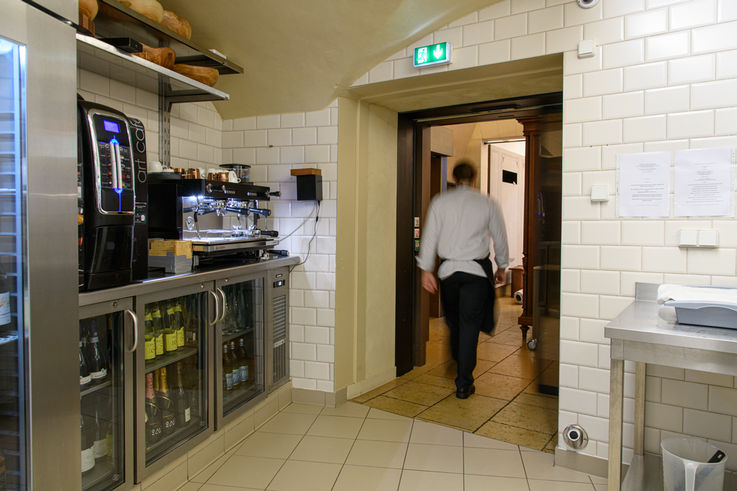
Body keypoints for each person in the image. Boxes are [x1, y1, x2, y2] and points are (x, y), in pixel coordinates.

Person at [417, 160, 509, 399]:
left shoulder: (440, 202)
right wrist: (503, 265)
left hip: (448, 274)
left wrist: (426, 270)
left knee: (454, 322)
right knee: (469, 326)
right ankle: (463, 382)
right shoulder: (487, 203)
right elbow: (499, 236)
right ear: (475, 178)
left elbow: (429, 237)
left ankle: (458, 360)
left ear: (454, 178)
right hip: (476, 274)